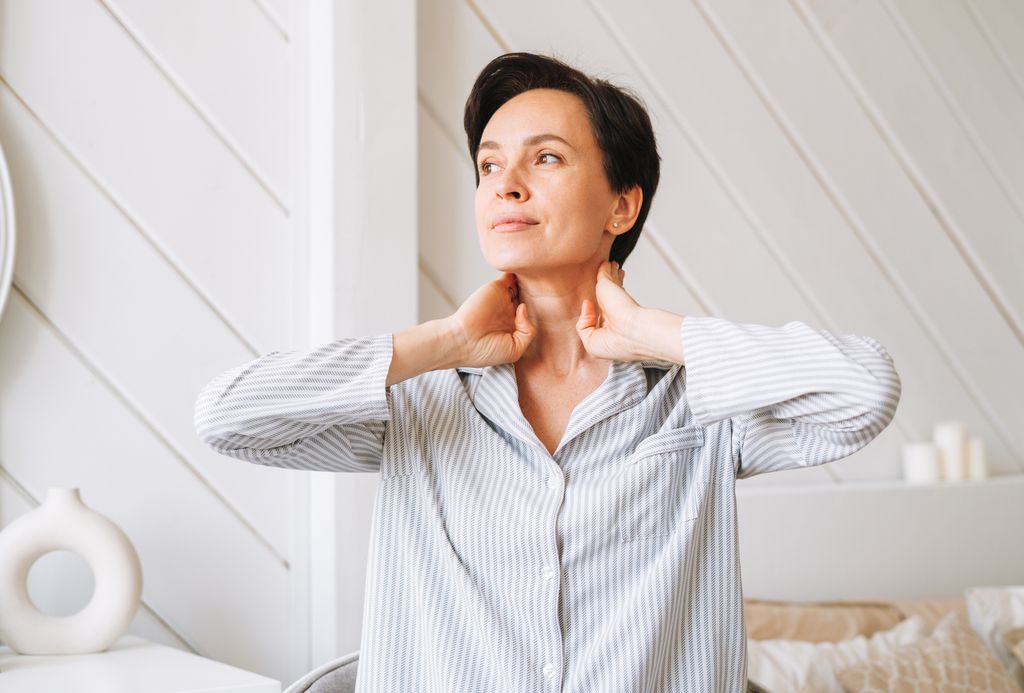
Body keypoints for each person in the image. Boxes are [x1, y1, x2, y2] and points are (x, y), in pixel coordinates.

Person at [194, 51, 901, 693]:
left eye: (547, 159)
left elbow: (864, 390)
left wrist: (653, 331)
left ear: (621, 204)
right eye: (490, 166)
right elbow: (226, 416)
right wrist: (440, 342)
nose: (508, 186)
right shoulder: (422, 400)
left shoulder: (697, 401)